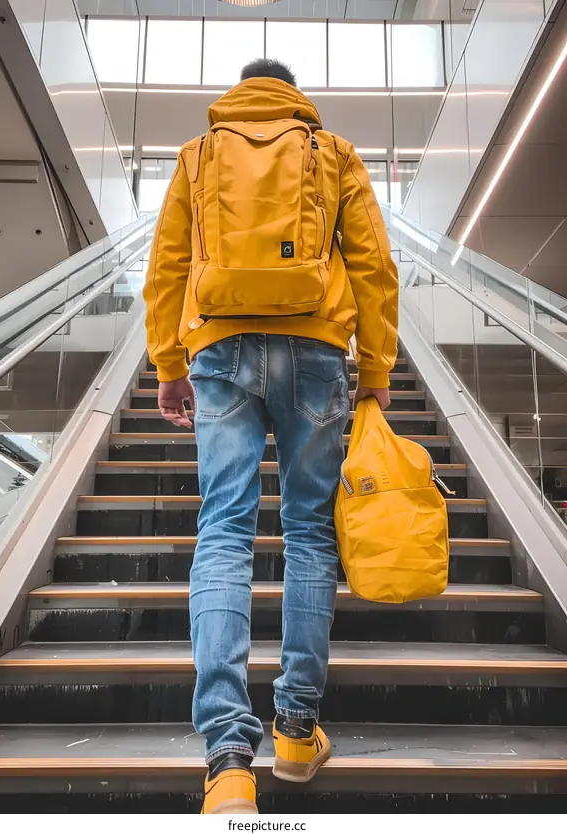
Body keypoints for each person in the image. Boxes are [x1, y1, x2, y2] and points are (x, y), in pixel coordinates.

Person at [144, 57, 398, 815]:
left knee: (223, 532)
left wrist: (167, 363)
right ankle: (294, 729)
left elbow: (165, 265)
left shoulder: (198, 155)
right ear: (294, 94)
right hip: (318, 348)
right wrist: (378, 369)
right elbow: (375, 265)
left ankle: (227, 760)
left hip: (218, 348)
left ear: (239, 93)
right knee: (310, 533)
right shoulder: (334, 151)